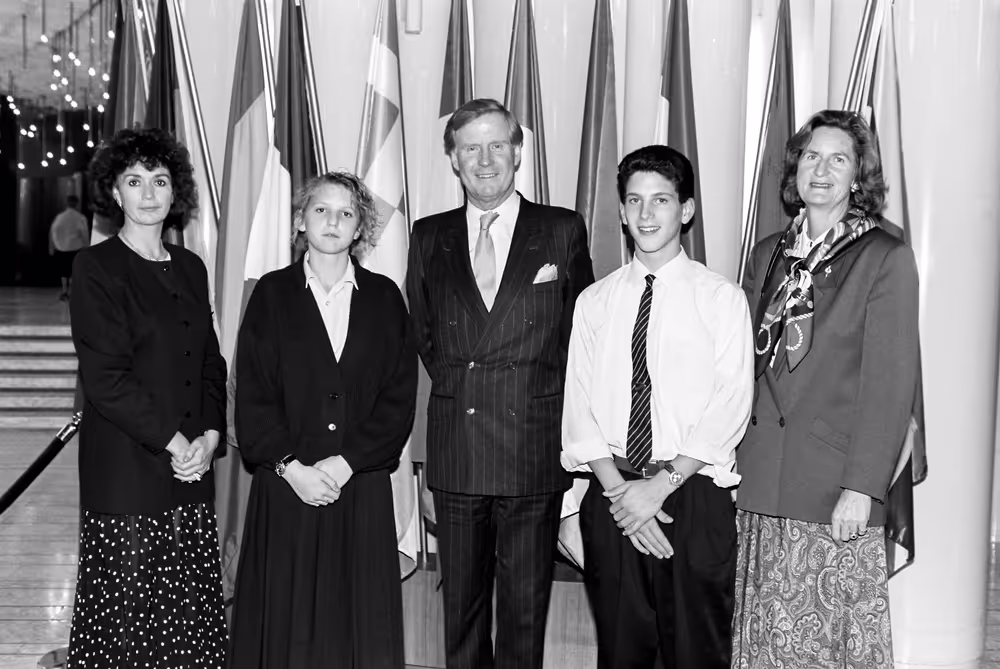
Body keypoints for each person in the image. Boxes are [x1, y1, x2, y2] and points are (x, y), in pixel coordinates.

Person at [406, 98, 594, 669]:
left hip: (532, 444)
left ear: (517, 152)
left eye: (496, 145)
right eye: (470, 148)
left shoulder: (560, 229)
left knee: (524, 610)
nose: (485, 159)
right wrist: (468, 384)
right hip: (459, 444)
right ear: (454, 160)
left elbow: (579, 335)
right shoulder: (427, 235)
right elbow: (427, 334)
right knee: (459, 608)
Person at [731, 110, 920, 668]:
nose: (822, 170)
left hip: (832, 491)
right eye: (812, 156)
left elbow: (889, 386)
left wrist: (863, 487)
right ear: (795, 172)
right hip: (759, 479)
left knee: (818, 646)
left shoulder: (885, 257)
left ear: (858, 176)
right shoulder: (768, 254)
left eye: (839, 159)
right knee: (761, 640)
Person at [561, 145, 753, 668]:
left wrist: (661, 486)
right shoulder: (593, 301)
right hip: (613, 494)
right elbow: (578, 407)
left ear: (685, 210)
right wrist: (625, 495)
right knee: (622, 653)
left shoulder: (722, 298)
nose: (646, 215)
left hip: (692, 495)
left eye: (661, 200)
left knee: (696, 652)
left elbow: (731, 403)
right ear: (621, 212)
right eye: (634, 201)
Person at [228, 171, 417, 668]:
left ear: (360, 229)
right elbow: (252, 395)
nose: (333, 221)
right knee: (285, 620)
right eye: (320, 210)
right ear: (299, 221)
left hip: (360, 487)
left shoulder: (385, 298)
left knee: (356, 622)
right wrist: (293, 468)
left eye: (346, 213)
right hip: (286, 484)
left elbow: (398, 399)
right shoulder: (270, 294)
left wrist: (345, 464)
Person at [67, 127, 228, 668]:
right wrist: (177, 442)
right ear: (115, 193)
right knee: (128, 617)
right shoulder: (96, 268)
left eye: (160, 180)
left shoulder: (190, 266)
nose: (150, 193)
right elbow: (107, 378)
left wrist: (208, 435)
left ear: (174, 190)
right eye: (134, 181)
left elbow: (210, 361)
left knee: (187, 615)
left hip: (191, 466)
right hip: (128, 466)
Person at [49, 194, 89, 299]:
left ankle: (64, 290)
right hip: (75, 247)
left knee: (63, 271)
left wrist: (53, 246)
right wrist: (87, 246)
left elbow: (53, 232)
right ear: (77, 204)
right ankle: (72, 291)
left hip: (60, 248)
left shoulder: (59, 217)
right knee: (73, 271)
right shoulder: (80, 217)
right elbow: (84, 234)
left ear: (66, 203)